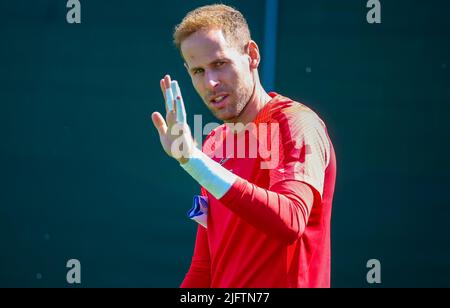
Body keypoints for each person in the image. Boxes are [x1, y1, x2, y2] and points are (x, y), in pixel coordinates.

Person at [151, 4, 336, 288]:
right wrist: (198, 161)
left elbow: (290, 221)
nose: (211, 82)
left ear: (252, 55)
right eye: (199, 71)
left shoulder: (294, 123)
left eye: (219, 64)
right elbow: (205, 267)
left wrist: (194, 162)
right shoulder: (213, 143)